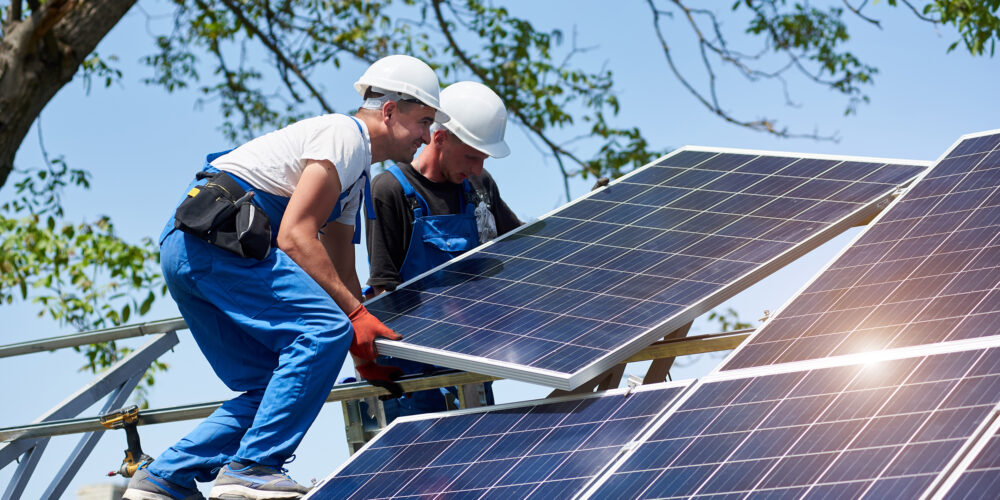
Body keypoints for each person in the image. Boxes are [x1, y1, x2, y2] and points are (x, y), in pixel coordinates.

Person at [123, 54, 447, 500]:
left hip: (189, 249)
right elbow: (295, 237)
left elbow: (339, 261)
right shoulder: (344, 137)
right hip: (220, 244)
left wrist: (361, 345)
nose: (426, 137)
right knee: (322, 332)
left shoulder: (356, 175)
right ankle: (254, 468)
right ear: (389, 111)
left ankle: (165, 478)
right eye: (424, 121)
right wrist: (351, 319)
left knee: (273, 385)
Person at [363, 81, 521, 423]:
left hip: (470, 357)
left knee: (486, 448)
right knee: (425, 456)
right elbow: (382, 291)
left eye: (483, 159)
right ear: (440, 138)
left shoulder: (480, 186)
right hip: (413, 372)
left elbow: (522, 250)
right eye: (472, 157)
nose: (477, 169)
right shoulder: (389, 190)